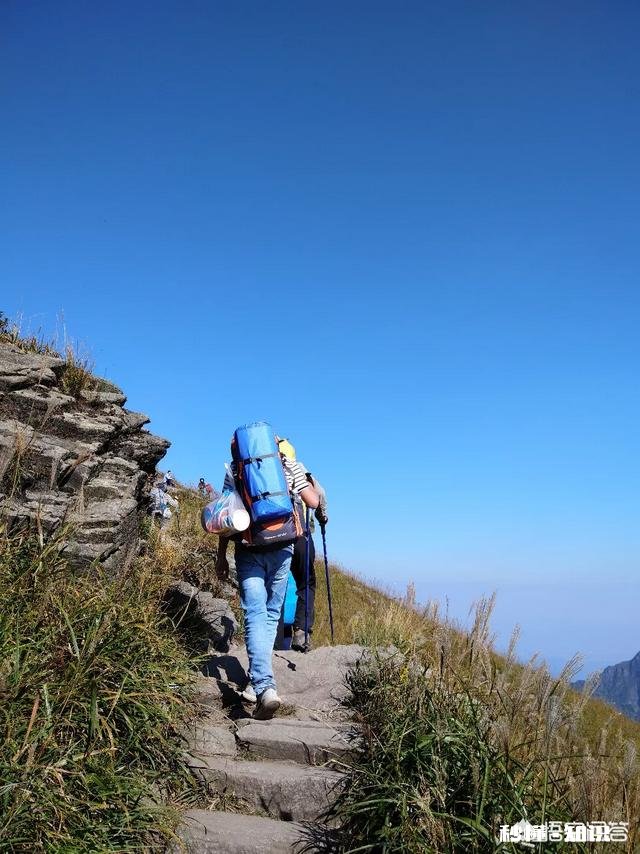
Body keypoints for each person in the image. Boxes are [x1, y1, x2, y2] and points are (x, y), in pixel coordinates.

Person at [215, 431, 320, 720]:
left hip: (249, 548)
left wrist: (221, 555)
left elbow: (226, 514)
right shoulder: (289, 465)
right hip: (283, 546)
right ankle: (261, 684)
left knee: (254, 614)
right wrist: (308, 483)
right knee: (270, 614)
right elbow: (311, 501)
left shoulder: (236, 469)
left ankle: (262, 685)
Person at [278, 439, 328, 652]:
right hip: (299, 534)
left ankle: (274, 636)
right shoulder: (299, 470)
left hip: (269, 534)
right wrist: (322, 517)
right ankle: (301, 630)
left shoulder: (261, 469)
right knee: (306, 582)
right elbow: (320, 497)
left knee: (274, 585)